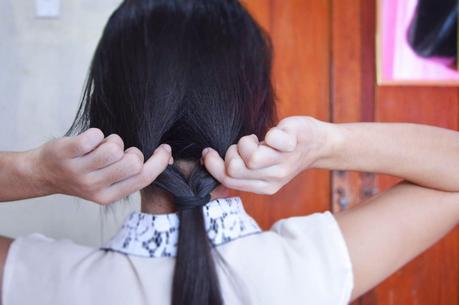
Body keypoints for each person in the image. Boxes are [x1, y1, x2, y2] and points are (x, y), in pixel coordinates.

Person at [0, 0, 458, 304]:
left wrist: (34, 172)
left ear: (106, 117)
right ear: (255, 115)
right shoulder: (308, 269)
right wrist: (325, 144)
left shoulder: (43, 280)